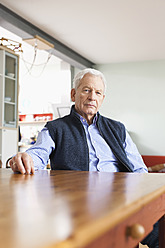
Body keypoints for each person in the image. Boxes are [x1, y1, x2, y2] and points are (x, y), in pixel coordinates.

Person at [9, 68, 158, 247]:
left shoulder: (118, 129)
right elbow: (37, 155)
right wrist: (24, 159)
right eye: (86, 90)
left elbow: (139, 169)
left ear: (102, 98)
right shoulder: (56, 128)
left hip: (121, 200)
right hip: (76, 204)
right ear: (74, 94)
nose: (92, 97)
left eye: (98, 92)